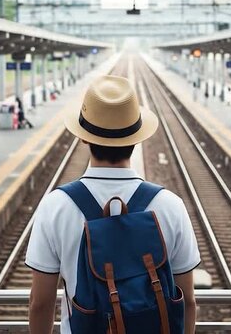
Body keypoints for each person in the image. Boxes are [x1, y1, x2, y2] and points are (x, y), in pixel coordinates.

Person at [25, 75, 200, 334]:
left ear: (84, 138)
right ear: (136, 139)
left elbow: (40, 304)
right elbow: (187, 300)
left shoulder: (55, 206)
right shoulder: (170, 205)